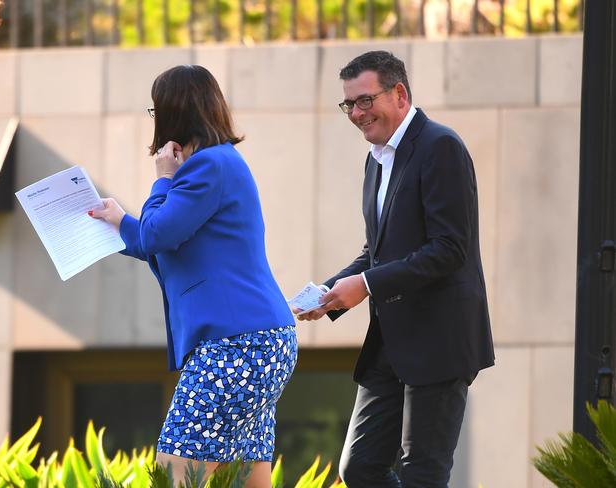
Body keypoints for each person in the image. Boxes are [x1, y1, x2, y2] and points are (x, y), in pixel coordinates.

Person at [90, 65, 297, 488]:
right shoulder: (219, 164)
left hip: (235, 345)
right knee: (245, 476)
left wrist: (162, 180)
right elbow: (163, 240)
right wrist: (117, 224)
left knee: (175, 472)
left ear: (172, 113)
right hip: (258, 343)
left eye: (156, 110)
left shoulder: (205, 167)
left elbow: (156, 233)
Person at [296, 51, 495, 488]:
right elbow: (379, 249)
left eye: (365, 100)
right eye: (349, 104)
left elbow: (449, 248)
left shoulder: (440, 147)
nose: (358, 114)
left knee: (423, 475)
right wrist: (326, 294)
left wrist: (365, 285)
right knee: (360, 468)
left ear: (400, 93)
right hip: (391, 342)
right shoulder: (377, 160)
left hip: (440, 340)